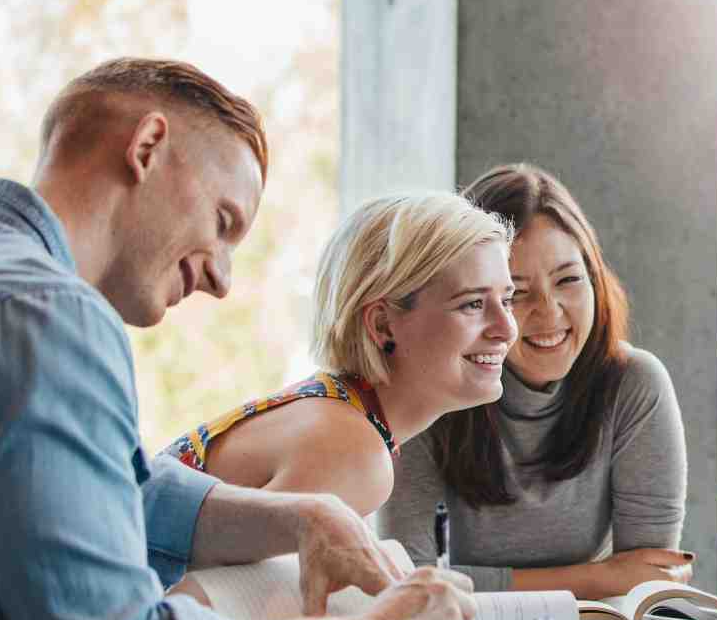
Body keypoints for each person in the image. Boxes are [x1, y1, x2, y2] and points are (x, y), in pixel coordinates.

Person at [0, 59, 478, 620]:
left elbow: (123, 495)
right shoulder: (48, 316)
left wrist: (304, 517)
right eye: (223, 223)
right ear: (147, 148)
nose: (222, 279)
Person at [379, 163, 692, 597]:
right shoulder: (430, 386)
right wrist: (597, 576)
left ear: (596, 279)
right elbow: (407, 580)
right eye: (516, 293)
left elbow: (647, 579)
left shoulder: (634, 383)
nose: (548, 312)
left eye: (568, 280)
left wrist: (612, 581)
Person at [162, 190, 518, 517]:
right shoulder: (352, 453)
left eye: (507, 300)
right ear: (382, 325)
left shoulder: (339, 412)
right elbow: (214, 587)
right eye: (472, 304)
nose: (507, 328)